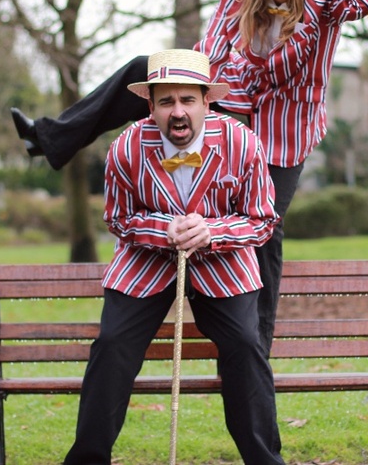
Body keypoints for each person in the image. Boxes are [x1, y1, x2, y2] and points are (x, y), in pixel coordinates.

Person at [12, 0, 368, 354]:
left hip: (285, 132)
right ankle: (50, 138)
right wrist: (179, 90)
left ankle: (252, 354)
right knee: (143, 68)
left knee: (265, 227)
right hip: (233, 110)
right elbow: (208, 51)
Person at [63, 49, 284, 465]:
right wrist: (163, 230)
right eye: (166, 101)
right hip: (145, 263)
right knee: (111, 345)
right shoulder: (126, 148)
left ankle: (264, 461)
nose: (177, 112)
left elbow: (261, 221)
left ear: (206, 101)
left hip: (223, 265)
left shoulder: (242, 143)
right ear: (150, 106)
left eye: (187, 100)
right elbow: (119, 218)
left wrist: (212, 231)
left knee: (245, 343)